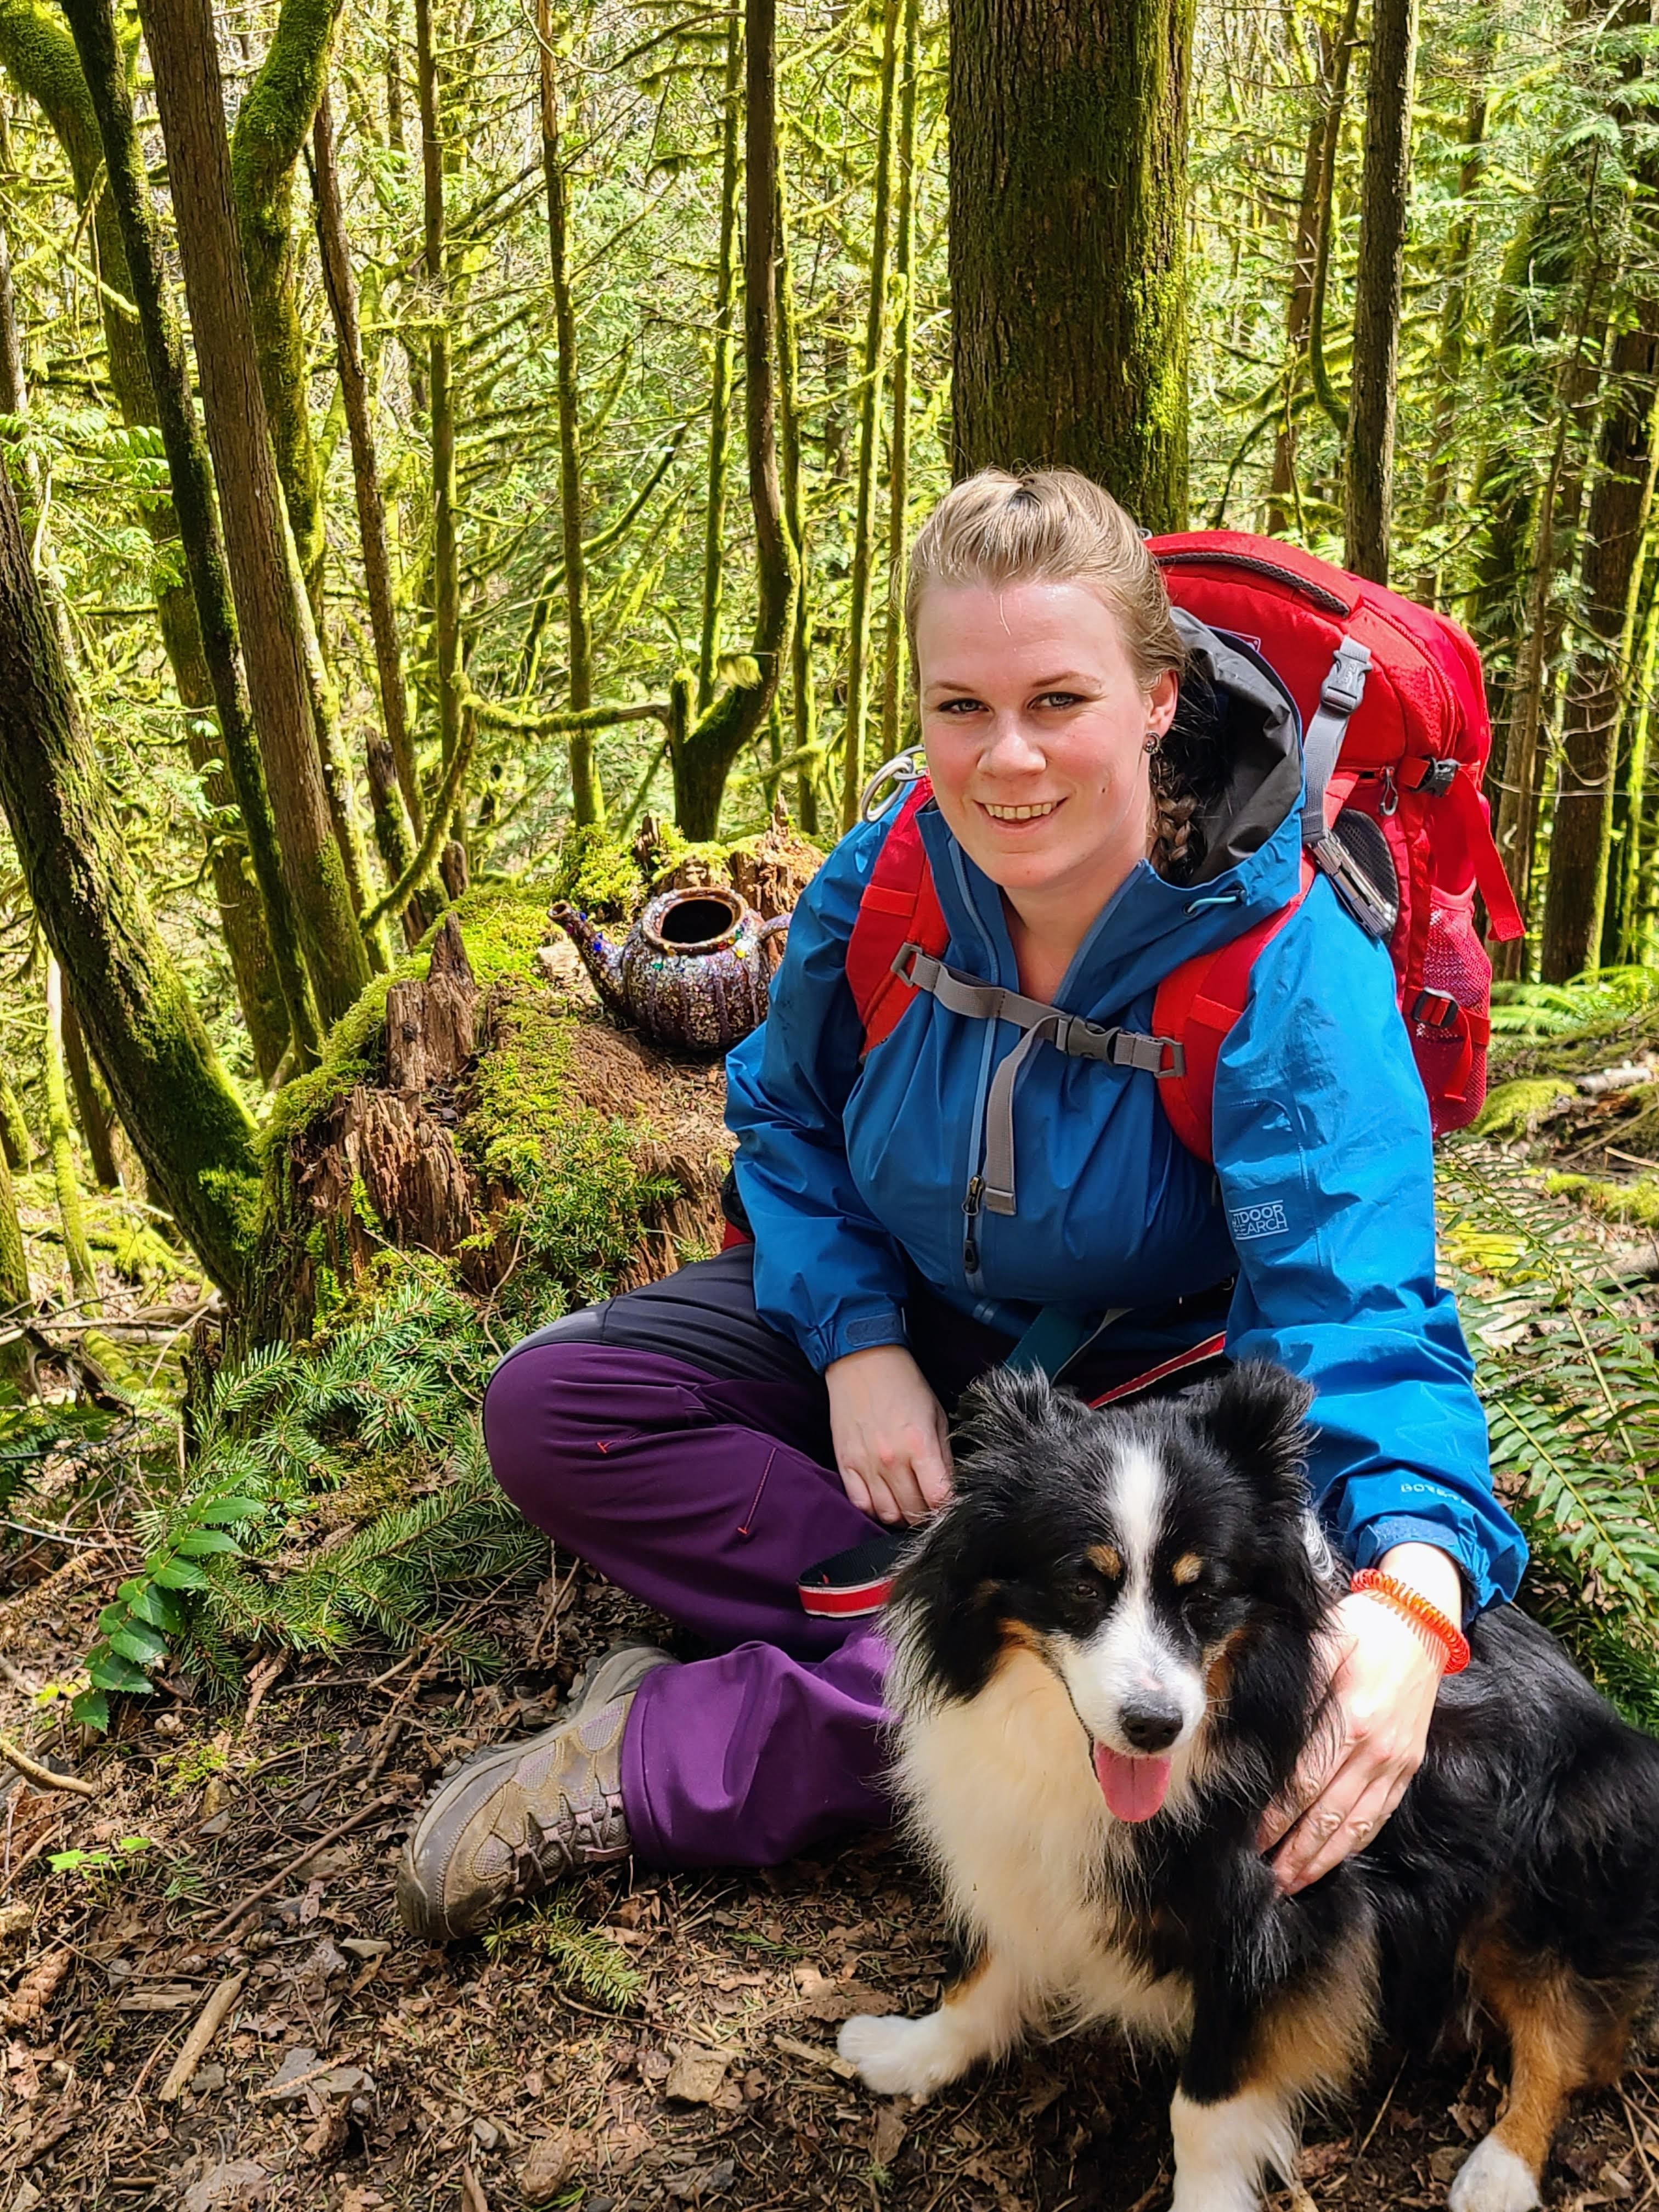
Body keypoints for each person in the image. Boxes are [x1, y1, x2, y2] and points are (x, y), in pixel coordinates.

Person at [396, 469, 1526, 1945]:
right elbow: (785, 1115)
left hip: (1138, 1400)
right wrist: (860, 1345)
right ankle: (953, 1629)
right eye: (959, 709)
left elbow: (1355, 1310)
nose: (1006, 761)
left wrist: (1416, 1589)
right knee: (557, 1409)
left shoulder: (1285, 972)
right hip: (915, 1326)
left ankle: (669, 1755)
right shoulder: (891, 878)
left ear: (1158, 699)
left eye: (1059, 700)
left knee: (1148, 1680)